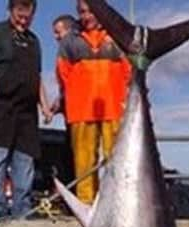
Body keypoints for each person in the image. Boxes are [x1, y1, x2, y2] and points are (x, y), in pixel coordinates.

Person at [0, 0, 54, 219]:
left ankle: (23, 209)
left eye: (28, 15)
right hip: (2, 106)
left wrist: (45, 106)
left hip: (27, 111)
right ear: (10, 10)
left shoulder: (33, 41)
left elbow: (36, 78)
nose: (23, 19)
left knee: (25, 160)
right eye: (19, 14)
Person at [55, 0, 132, 203]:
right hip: (81, 109)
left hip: (114, 108)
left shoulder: (118, 36)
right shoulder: (69, 41)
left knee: (116, 159)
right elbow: (63, 73)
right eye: (82, 12)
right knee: (84, 162)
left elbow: (128, 72)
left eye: (91, 11)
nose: (87, 16)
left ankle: (117, 202)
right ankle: (86, 203)